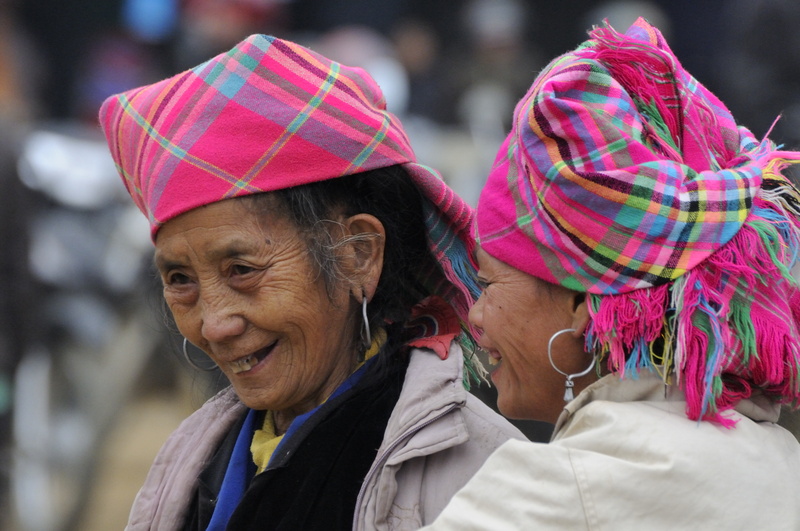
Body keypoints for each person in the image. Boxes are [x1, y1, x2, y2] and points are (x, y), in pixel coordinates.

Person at [98, 34, 525, 530]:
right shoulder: (190, 463)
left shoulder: (481, 479)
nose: (214, 325)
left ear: (357, 254)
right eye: (180, 279)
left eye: (243, 270)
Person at [422, 17, 800, 530]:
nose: (476, 316)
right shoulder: (781, 459)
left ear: (582, 302)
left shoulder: (555, 493)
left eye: (488, 285)